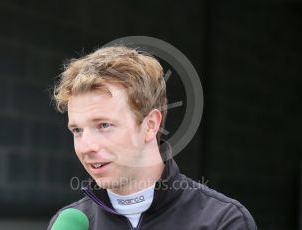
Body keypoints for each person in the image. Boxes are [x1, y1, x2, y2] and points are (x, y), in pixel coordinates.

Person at [48, 46, 257, 229]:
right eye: (77, 130)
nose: (86, 147)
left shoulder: (222, 221)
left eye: (104, 125)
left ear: (150, 125)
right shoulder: (68, 224)